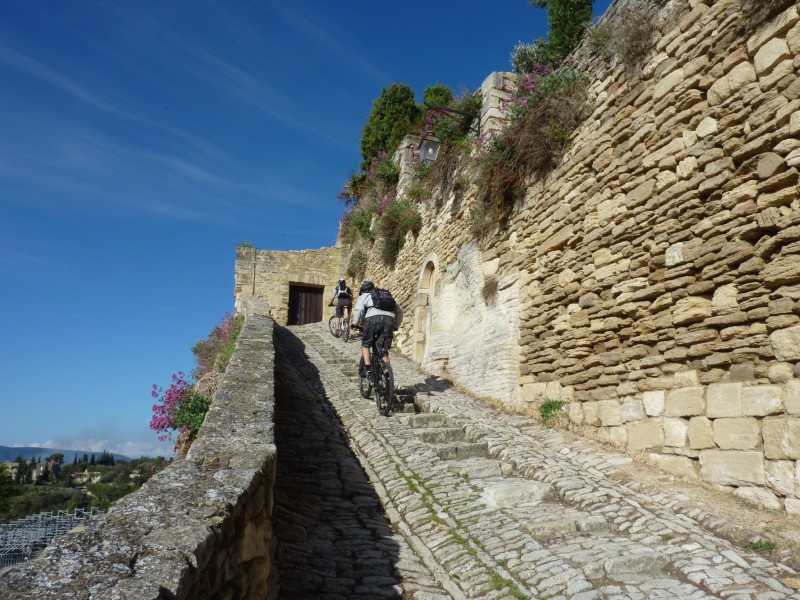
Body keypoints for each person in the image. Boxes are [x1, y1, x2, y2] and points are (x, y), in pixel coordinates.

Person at [351, 280, 403, 374]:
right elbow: (400, 311)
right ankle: (387, 375)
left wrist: (355, 323)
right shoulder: (385, 296)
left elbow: (359, 309)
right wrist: (395, 326)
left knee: (366, 344)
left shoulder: (364, 295)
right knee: (383, 350)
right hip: (389, 321)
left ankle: (368, 370)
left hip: (372, 319)